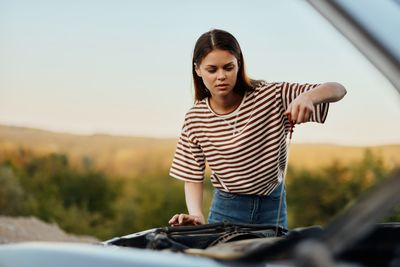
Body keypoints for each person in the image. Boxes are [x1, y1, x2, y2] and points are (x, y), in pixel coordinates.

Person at [168, 29, 346, 228]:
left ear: (239, 64)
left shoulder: (271, 95)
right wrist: (196, 214)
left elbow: (338, 89)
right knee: (223, 259)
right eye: (212, 69)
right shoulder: (195, 118)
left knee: (272, 259)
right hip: (226, 208)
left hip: (273, 204)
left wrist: (308, 97)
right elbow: (192, 175)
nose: (221, 76)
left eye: (228, 67)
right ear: (198, 69)